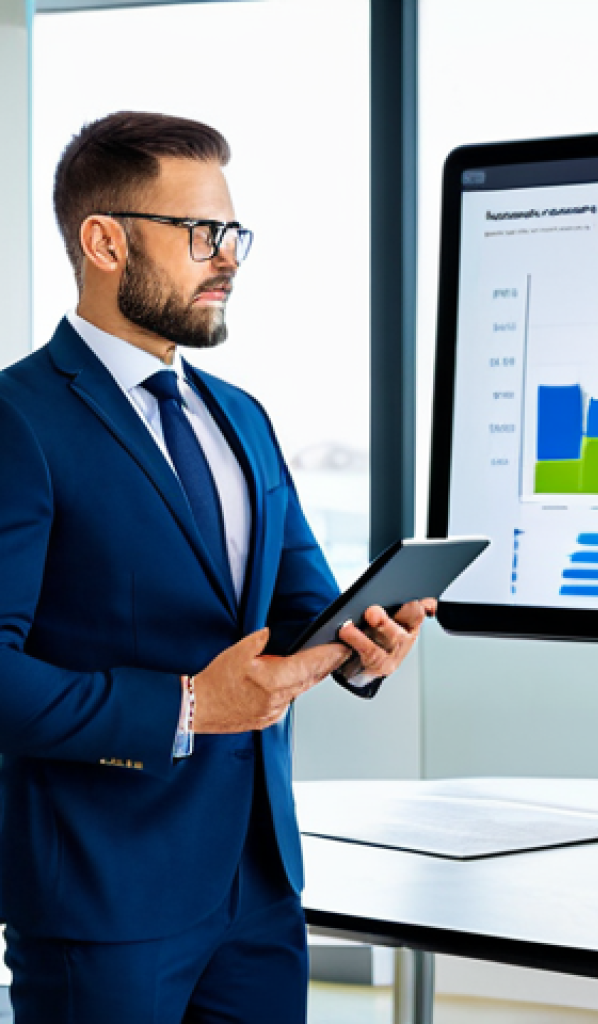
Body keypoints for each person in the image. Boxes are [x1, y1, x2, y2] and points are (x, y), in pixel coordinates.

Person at [0, 110, 433, 1024]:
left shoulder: (242, 415)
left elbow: (302, 606)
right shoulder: (18, 419)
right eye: (200, 232)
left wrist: (364, 645)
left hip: (260, 889)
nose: (228, 257)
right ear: (105, 241)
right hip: (104, 899)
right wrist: (189, 707)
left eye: (234, 233)